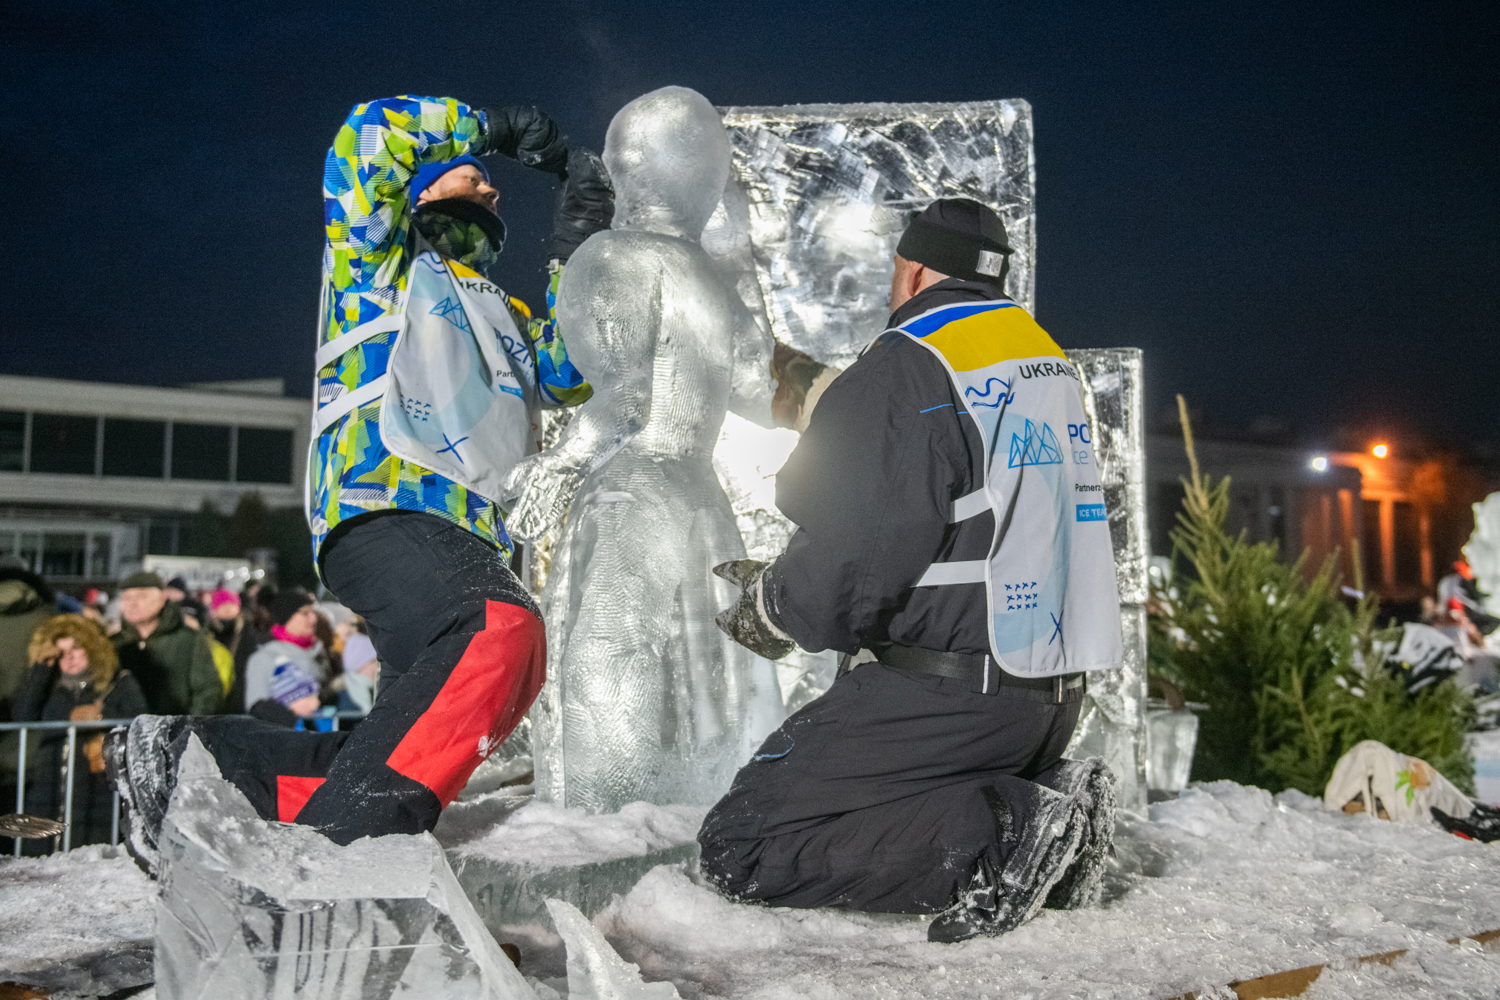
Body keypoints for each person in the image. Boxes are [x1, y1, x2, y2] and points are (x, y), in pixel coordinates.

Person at [107, 94, 612, 873]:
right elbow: (368, 137)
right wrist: (500, 130)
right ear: (422, 185)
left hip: (468, 528)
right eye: (474, 178)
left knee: (444, 714)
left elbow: (571, 371)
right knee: (496, 629)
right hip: (383, 501)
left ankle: (191, 766)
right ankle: (345, 859)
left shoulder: (503, 310)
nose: (494, 190)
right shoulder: (377, 259)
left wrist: (584, 247)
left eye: (494, 182)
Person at [699, 199, 1125, 942]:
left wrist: (774, 605)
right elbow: (953, 518)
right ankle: (1047, 802)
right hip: (1047, 700)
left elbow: (858, 548)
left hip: (951, 692)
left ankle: (1005, 837)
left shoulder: (910, 363)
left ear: (914, 269)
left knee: (743, 842)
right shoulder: (1038, 357)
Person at [13, 615, 147, 849]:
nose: (70, 658)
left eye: (76, 648)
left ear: (92, 649)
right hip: (49, 789)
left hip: (98, 794)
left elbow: (140, 721)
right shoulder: (48, 686)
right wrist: (42, 668)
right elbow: (22, 714)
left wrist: (102, 718)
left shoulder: (119, 683)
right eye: (61, 653)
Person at [111, 571, 221, 716]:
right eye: (127, 597)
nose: (132, 603)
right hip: (125, 732)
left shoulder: (188, 639)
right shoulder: (114, 643)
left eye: (142, 596)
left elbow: (208, 690)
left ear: (162, 599)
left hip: (174, 731)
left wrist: (190, 728)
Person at [241, 588, 329, 710]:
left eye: (313, 613)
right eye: (305, 613)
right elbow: (256, 708)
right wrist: (291, 713)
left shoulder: (318, 653)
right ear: (285, 617)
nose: (313, 619)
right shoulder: (263, 658)